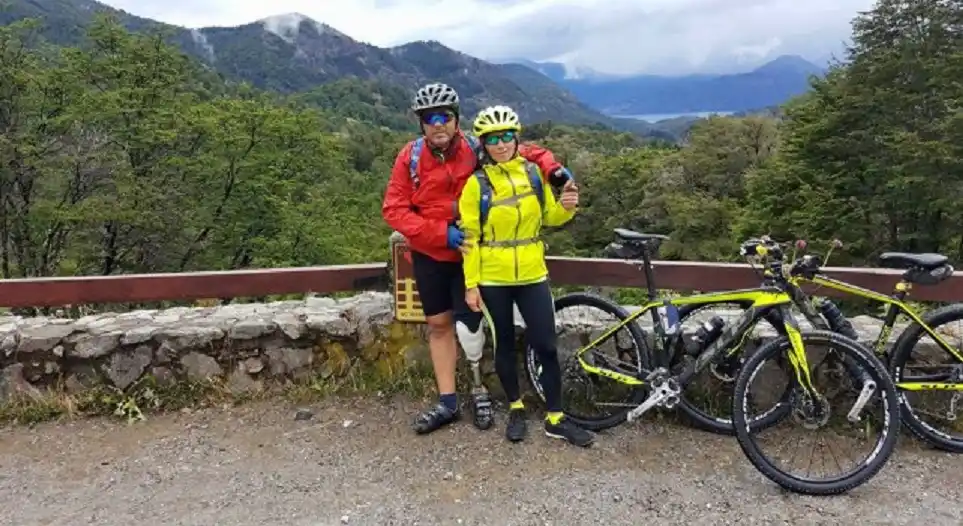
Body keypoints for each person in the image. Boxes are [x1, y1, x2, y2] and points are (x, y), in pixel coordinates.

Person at [382, 82, 574, 435]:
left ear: (457, 120)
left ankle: (478, 389)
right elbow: (393, 210)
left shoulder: (475, 147)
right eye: (429, 118)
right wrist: (440, 233)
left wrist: (554, 170)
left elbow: (524, 151)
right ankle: (448, 401)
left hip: (474, 256)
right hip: (431, 253)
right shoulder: (409, 157)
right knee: (439, 325)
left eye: (445, 116)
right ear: (421, 123)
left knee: (473, 326)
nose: (438, 124)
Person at [458, 105, 593, 447]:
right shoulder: (476, 185)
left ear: (517, 139)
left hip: (533, 272)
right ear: (483, 144)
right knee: (503, 342)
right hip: (493, 277)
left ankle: (555, 417)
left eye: (506, 137)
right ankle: (516, 407)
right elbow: (469, 238)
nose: (501, 144)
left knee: (546, 344)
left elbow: (550, 217)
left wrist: (567, 206)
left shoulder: (534, 175)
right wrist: (471, 284)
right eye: (492, 139)